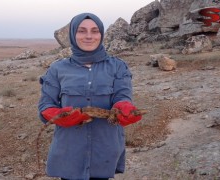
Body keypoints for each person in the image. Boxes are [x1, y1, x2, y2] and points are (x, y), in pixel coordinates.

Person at [38, 12, 142, 180]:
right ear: (72, 34)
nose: (88, 36)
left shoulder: (118, 66)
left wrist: (124, 107)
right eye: (81, 31)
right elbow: (45, 106)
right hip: (69, 150)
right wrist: (58, 115)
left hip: (105, 148)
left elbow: (123, 96)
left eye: (94, 31)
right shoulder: (57, 69)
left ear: (101, 34)